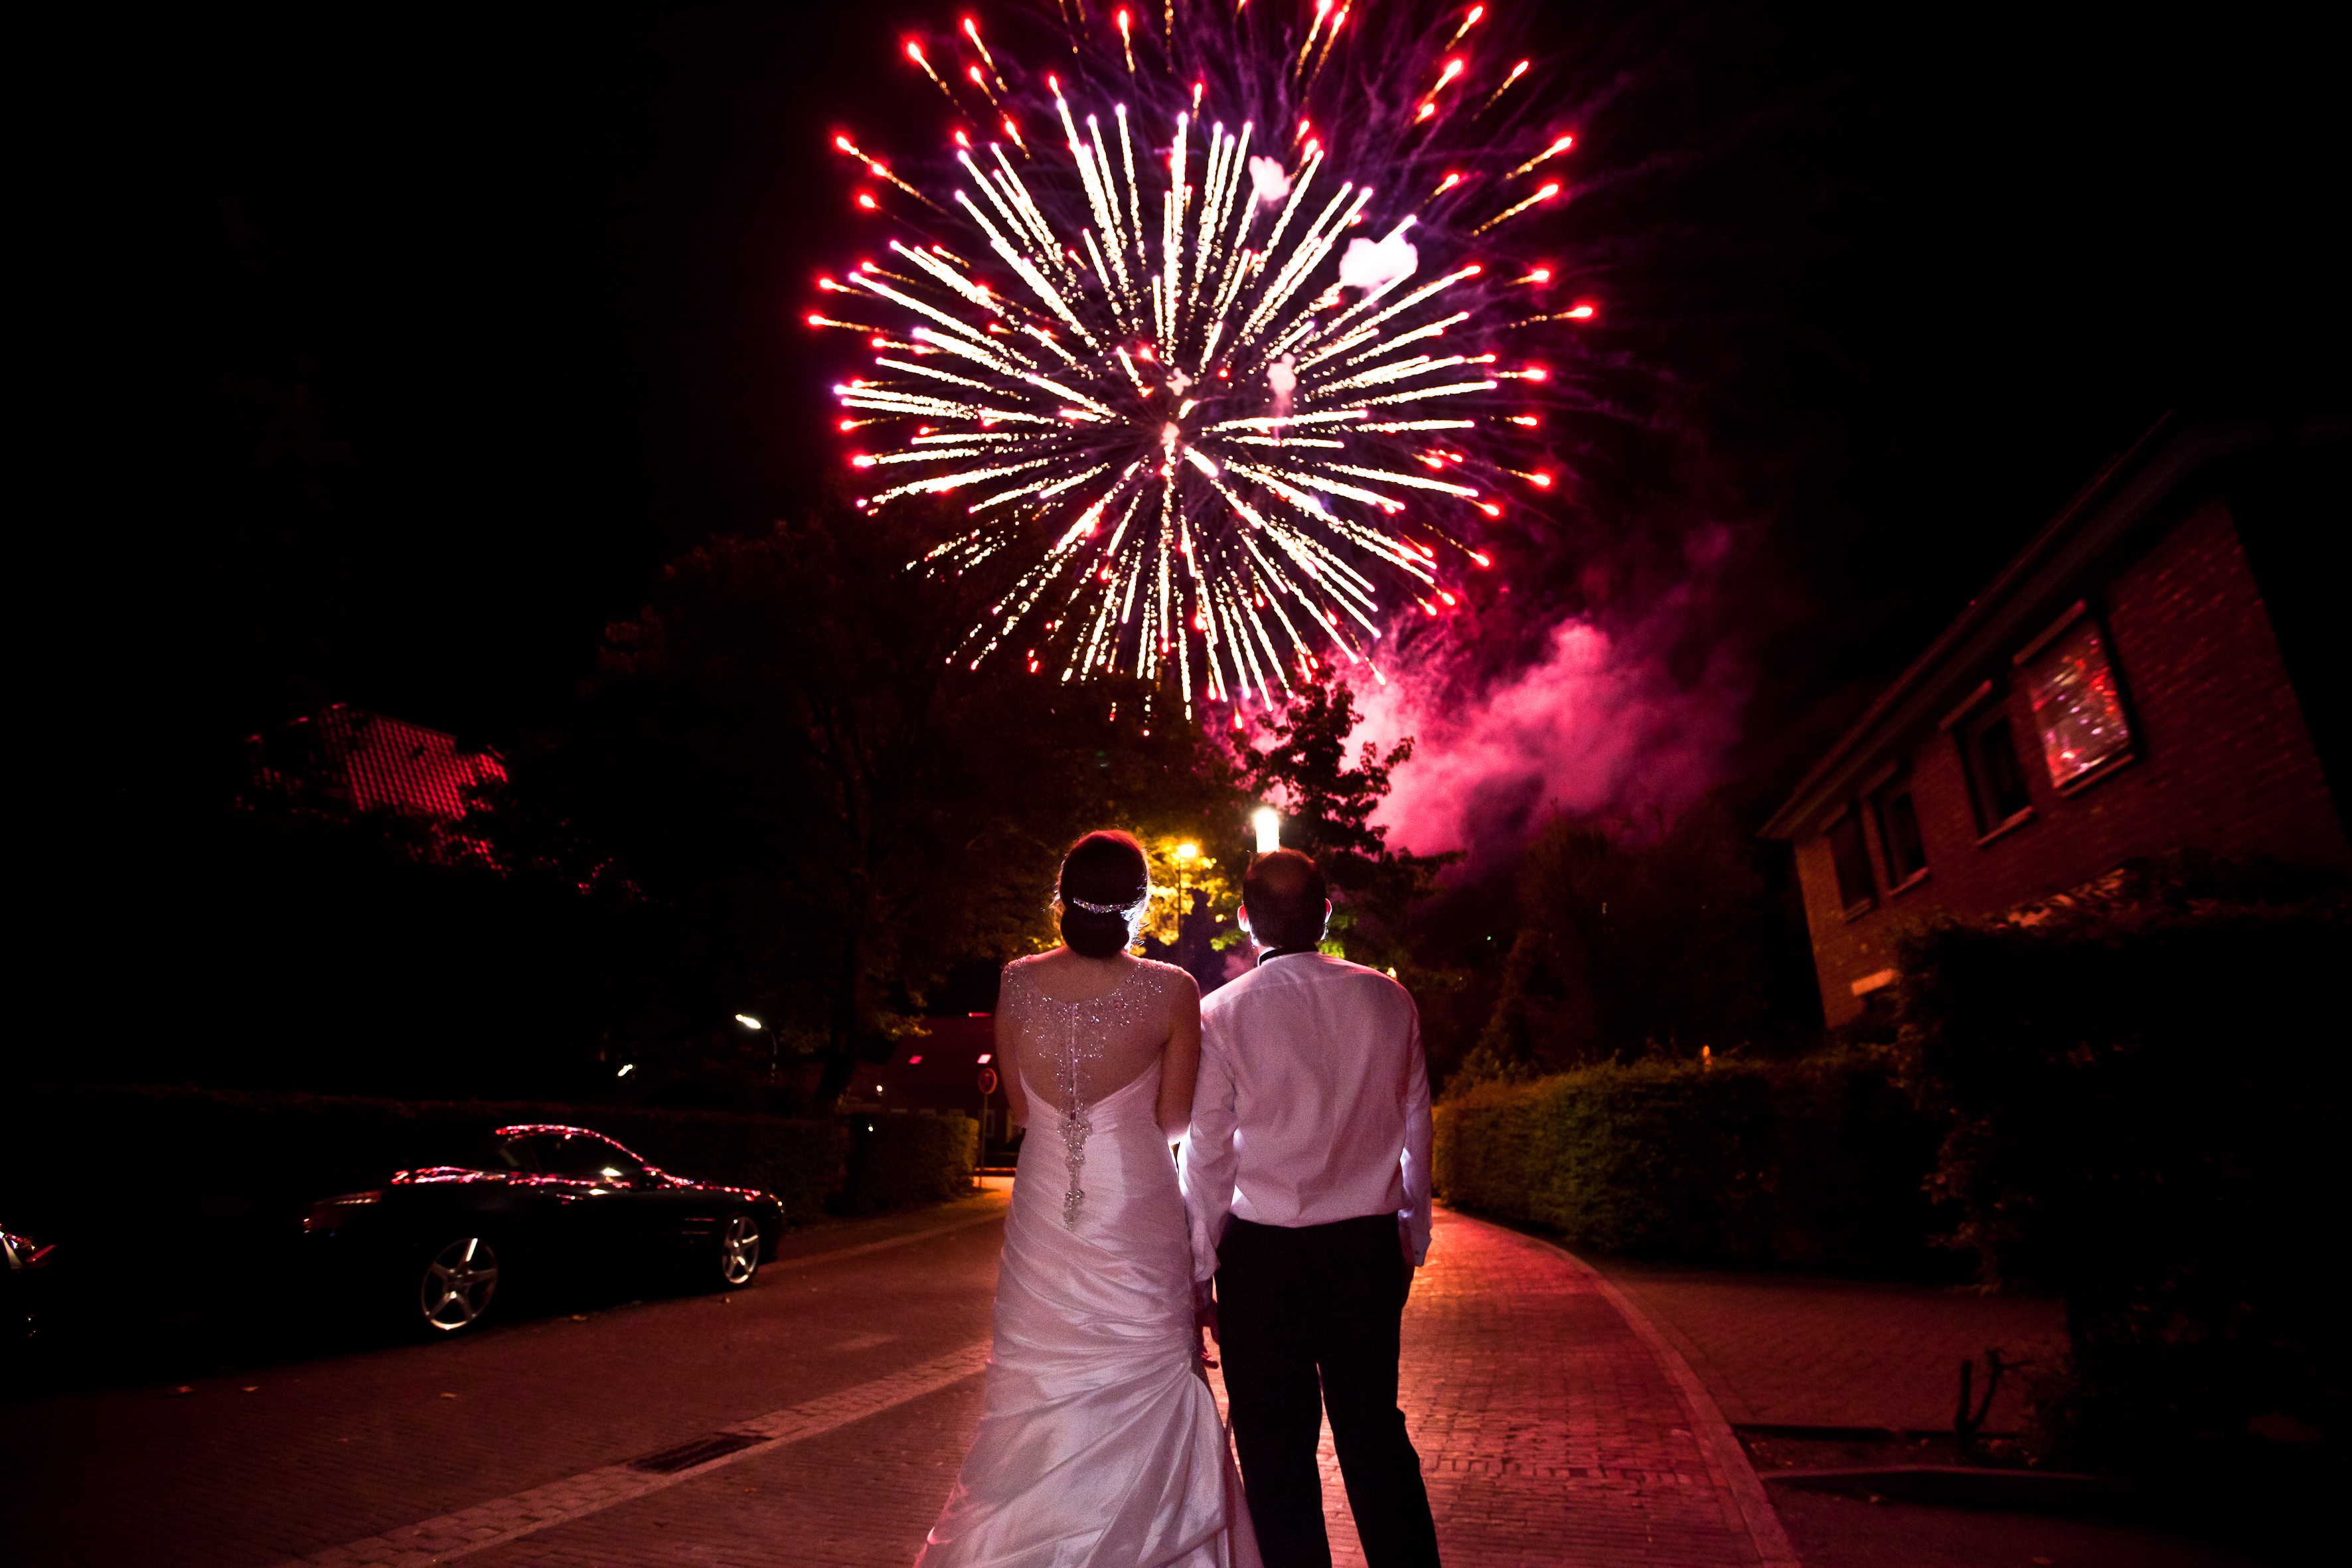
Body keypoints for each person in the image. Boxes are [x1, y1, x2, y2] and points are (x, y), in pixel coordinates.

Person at [917, 830, 1260, 1568]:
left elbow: (1021, 1108)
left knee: (1034, 1383)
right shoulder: (1172, 990)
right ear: (1140, 904)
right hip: (1134, 1202)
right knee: (1147, 1370)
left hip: (1046, 1203)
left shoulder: (1015, 980)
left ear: (1061, 897)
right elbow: (1173, 1121)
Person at [1181, 849, 1440, 1568]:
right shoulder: (1390, 999)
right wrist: (1410, 1239)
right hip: (1363, 1250)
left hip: (1262, 1259)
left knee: (1274, 1450)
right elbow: (1417, 1127)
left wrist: (1197, 1270)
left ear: (1243, 920)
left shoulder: (1222, 1015)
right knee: (1375, 1436)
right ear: (1326, 913)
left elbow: (1208, 1154)